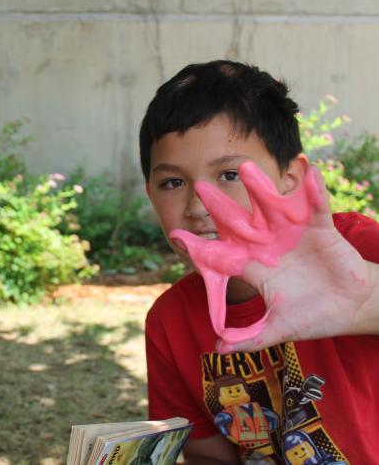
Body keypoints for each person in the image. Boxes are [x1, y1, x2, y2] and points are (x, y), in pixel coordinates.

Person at [139, 60, 379, 463]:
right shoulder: (169, 322)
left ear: (290, 178)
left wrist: (367, 303)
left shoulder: (354, 251)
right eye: (173, 183)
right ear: (150, 194)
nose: (200, 205)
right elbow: (208, 456)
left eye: (229, 175)